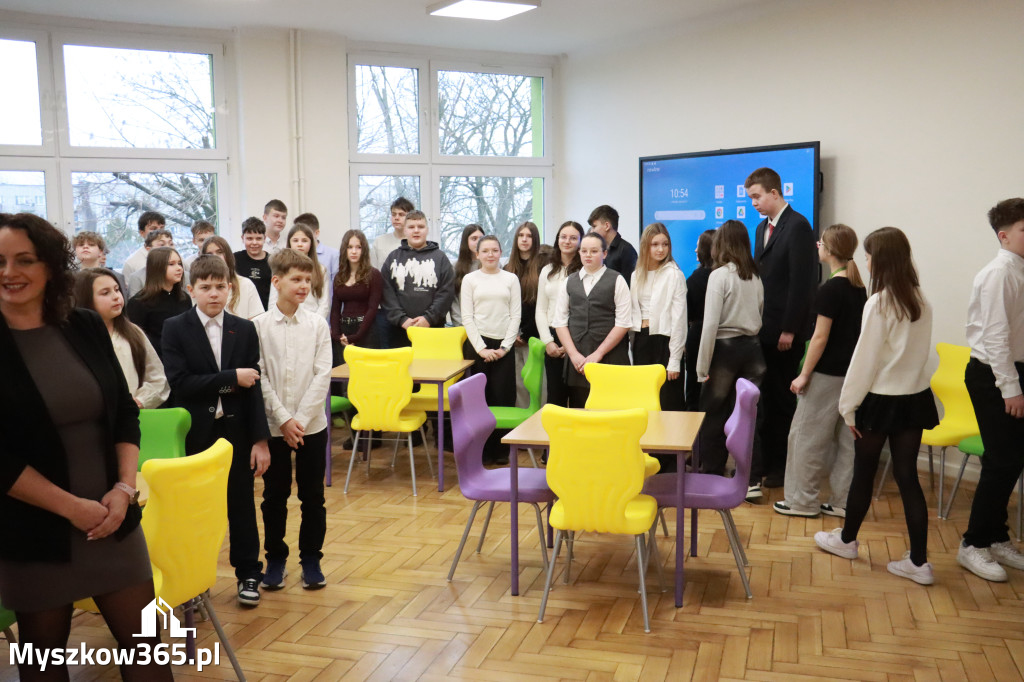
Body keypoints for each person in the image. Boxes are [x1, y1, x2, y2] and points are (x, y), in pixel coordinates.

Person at [0, 213, 172, 680]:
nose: (8, 272)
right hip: (36, 533)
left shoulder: (84, 325)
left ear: (51, 266)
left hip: (112, 518)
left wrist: (123, 487)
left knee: (148, 656)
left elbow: (123, 413)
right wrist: (73, 509)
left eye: (24, 260)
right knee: (45, 665)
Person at [815, 227, 939, 585]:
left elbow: (864, 362)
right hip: (913, 399)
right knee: (908, 479)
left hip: (880, 401)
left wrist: (847, 407)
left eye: (868, 256)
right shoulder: (921, 300)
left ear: (880, 260)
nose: (865, 262)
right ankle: (919, 562)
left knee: (863, 474)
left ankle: (847, 540)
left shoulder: (879, 303)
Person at [162, 255, 271, 606]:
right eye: (205, 287)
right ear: (191, 289)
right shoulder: (175, 328)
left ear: (230, 289)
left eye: (220, 287)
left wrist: (260, 440)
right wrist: (230, 380)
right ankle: (193, 581)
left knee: (241, 505)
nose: (213, 294)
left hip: (236, 431)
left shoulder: (245, 328)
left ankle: (249, 574)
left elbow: (253, 387)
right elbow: (181, 384)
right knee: (195, 510)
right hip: (197, 433)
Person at [773, 224, 866, 518]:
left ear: (829, 249)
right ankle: (842, 502)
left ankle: (802, 501)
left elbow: (820, 338)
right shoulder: (859, 288)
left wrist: (803, 375)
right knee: (845, 443)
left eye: (821, 242)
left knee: (805, 438)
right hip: (850, 375)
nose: (817, 246)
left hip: (825, 376)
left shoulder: (829, 290)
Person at [254, 249, 333, 592]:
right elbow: (260, 377)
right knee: (274, 495)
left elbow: (322, 374)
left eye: (307, 279)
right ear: (277, 281)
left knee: (312, 495)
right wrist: (284, 420)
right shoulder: (257, 326)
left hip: (311, 425)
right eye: (296, 279)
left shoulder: (317, 324)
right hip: (274, 426)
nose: (304, 285)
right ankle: (275, 559)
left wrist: (299, 419)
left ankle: (311, 559)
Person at [958, 198, 1024, 582]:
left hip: (1011, 373)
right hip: (994, 375)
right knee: (1001, 460)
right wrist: (1010, 388)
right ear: (1004, 236)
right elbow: (997, 339)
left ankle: (997, 536)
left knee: (1012, 459)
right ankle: (973, 544)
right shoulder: (1000, 273)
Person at [746, 167, 817, 490]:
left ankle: (781, 468)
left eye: (757, 196)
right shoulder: (762, 227)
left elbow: (803, 284)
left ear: (774, 193)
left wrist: (789, 329)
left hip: (785, 333)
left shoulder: (799, 226)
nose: (754, 203)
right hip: (763, 328)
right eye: (751, 198)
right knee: (767, 401)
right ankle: (767, 464)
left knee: (782, 403)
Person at [694, 221, 766, 486]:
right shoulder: (755, 275)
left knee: (713, 412)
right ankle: (752, 479)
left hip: (724, 350)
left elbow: (710, 324)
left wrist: (702, 368)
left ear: (720, 244)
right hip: (753, 349)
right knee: (748, 415)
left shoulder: (719, 276)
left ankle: (712, 472)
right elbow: (759, 313)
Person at [552, 231, 631, 407]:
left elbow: (623, 323)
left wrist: (598, 354)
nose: (588, 255)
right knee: (580, 410)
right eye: (584, 250)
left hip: (610, 355)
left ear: (604, 254)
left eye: (594, 251)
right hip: (578, 356)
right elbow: (560, 321)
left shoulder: (617, 280)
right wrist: (573, 355)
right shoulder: (569, 281)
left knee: (611, 412)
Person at [461, 235, 522, 464]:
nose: (490, 255)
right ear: (477, 254)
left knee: (503, 397)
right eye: (485, 251)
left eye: (494, 250)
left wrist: (505, 347)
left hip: (504, 346)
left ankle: (501, 452)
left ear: (500, 252)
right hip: (478, 346)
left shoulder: (510, 279)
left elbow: (515, 315)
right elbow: (467, 317)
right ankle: (481, 452)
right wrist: (481, 349)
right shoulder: (470, 279)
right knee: (479, 402)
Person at [74, 267, 171, 409]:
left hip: (132, 417)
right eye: (105, 293)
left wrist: (140, 400)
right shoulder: (74, 338)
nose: (116, 297)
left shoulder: (132, 332)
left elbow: (157, 378)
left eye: (117, 289)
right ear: (86, 298)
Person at [630, 222, 687, 411]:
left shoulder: (674, 275)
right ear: (646, 245)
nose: (661, 249)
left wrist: (675, 360)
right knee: (643, 402)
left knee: (668, 401)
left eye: (665, 244)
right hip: (640, 340)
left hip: (665, 342)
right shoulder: (636, 275)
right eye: (655, 244)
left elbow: (679, 320)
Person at [380, 210, 456, 347]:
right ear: (404, 230)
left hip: (432, 330)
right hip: (399, 331)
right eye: (411, 227)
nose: (416, 231)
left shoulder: (440, 258)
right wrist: (402, 320)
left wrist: (428, 318)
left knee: (432, 368)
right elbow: (386, 293)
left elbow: (446, 293)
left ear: (427, 230)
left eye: (420, 227)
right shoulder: (393, 258)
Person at [536, 220, 583, 408]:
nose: (567, 241)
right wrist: (548, 342)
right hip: (552, 336)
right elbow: (541, 309)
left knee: (580, 397)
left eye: (573, 238)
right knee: (555, 396)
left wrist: (570, 346)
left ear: (581, 241)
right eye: (563, 237)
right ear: (557, 240)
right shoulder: (547, 270)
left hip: (578, 336)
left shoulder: (584, 271)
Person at [125, 246, 191, 358]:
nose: (179, 268)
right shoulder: (139, 302)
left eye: (179, 263)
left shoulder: (184, 298)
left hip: (183, 359)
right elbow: (136, 341)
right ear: (157, 267)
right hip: (155, 361)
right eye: (171, 264)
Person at [331, 229, 383, 364]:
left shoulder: (374, 274)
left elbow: (373, 308)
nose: (354, 251)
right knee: (343, 380)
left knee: (367, 377)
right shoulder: (339, 276)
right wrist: (337, 336)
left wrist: (357, 336)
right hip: (344, 332)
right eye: (349, 247)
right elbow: (335, 309)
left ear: (364, 250)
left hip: (366, 331)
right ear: (344, 250)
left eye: (358, 247)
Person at [505, 221, 542, 407]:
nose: (524, 239)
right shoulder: (506, 268)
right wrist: (514, 333)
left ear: (535, 240)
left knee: (536, 385)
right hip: (512, 337)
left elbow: (540, 306)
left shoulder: (542, 267)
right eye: (521, 235)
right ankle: (521, 430)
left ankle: (539, 428)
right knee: (518, 384)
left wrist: (525, 333)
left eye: (529, 236)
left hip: (534, 336)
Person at [269, 223, 330, 319]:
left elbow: (324, 304)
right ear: (289, 242)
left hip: (312, 321)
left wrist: (314, 324)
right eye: (295, 240)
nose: (300, 244)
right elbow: (273, 300)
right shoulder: (280, 267)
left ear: (311, 243)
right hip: (285, 319)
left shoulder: (320, 269)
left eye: (304, 240)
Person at [685, 230, 716, 411]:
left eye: (698, 246)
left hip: (697, 336)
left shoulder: (695, 279)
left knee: (694, 391)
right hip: (718, 339)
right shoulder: (727, 275)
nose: (695, 250)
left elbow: (687, 312)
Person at [201, 235, 266, 320]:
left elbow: (257, 322)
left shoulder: (246, 284)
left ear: (228, 255)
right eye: (209, 254)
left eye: (220, 252)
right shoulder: (200, 287)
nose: (215, 257)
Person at [588, 204, 637, 285]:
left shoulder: (626, 250)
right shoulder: (599, 249)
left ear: (607, 226)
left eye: (594, 226)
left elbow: (629, 285)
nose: (591, 231)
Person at [294, 212, 340, 292]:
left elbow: (337, 286)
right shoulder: (293, 256)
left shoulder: (333, 255)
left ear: (316, 233)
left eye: (306, 234)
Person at [235, 216, 274, 309]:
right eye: (249, 238)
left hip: (265, 312)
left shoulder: (273, 261)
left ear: (264, 238)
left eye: (258, 238)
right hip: (241, 311)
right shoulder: (234, 259)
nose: (254, 242)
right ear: (242, 238)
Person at [124, 228, 176, 297]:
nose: (168, 248)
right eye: (162, 244)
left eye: (171, 244)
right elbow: (134, 305)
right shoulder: (137, 277)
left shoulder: (182, 273)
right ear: (149, 249)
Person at [449, 223, 484, 325]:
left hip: (487, 326)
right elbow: (454, 301)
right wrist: (461, 325)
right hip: (464, 326)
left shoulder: (493, 265)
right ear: (466, 242)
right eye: (474, 238)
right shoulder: (455, 267)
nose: (478, 242)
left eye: (481, 238)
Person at [120, 210, 166, 280]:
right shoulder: (131, 263)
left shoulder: (177, 258)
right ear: (142, 233)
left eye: (162, 228)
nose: (159, 232)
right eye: (153, 229)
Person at [371, 196, 415, 269]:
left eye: (401, 214)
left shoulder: (416, 243)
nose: (396, 218)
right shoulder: (379, 242)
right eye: (393, 214)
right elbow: (372, 273)